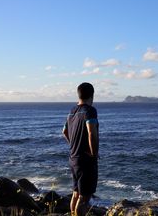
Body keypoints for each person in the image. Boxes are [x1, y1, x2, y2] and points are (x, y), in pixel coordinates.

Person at [62, 82, 99, 216]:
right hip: (85, 161)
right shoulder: (90, 110)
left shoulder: (72, 112)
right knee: (84, 199)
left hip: (73, 159)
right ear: (92, 95)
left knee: (76, 193)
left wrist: (74, 145)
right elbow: (91, 133)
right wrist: (93, 153)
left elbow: (64, 131)